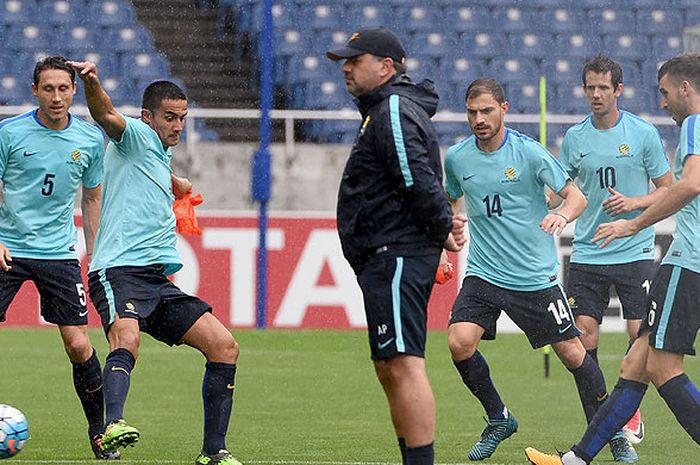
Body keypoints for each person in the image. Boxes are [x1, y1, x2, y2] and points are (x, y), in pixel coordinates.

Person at [443, 78, 636, 462]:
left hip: (534, 278)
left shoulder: (529, 154)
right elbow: (448, 199)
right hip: (484, 272)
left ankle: (612, 433)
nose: (479, 119)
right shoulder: (457, 158)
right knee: (459, 343)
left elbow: (576, 197)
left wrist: (561, 216)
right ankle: (499, 417)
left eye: (486, 111)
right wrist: (449, 228)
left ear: (504, 109)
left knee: (573, 355)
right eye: (472, 112)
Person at [525, 53, 700, 465]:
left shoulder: (693, 123)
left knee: (662, 366)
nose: (663, 103)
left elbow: (688, 184)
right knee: (635, 364)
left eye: (665, 92)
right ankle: (576, 459)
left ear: (685, 88)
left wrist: (632, 223)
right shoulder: (578, 137)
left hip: (686, 262)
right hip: (675, 262)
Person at [67, 60, 242, 465]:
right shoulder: (136, 134)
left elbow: (151, 171)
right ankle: (112, 427)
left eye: (182, 118)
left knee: (224, 346)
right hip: (118, 270)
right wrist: (92, 82)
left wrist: (175, 184)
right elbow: (105, 114)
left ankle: (214, 453)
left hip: (157, 280)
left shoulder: (157, 153)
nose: (177, 126)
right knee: (127, 340)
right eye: (169, 117)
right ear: (147, 116)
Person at [326, 27, 467, 465]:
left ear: (386, 67)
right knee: (389, 366)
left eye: (355, 59)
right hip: (384, 255)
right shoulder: (383, 110)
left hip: (398, 252)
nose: (346, 67)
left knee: (404, 364)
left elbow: (416, 177)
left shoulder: (391, 109)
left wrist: (442, 227)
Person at [0, 56, 117, 460]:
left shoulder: (88, 140)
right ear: (34, 91)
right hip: (8, 248)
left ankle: (99, 431)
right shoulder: (9, 133)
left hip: (58, 252)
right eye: (47, 89)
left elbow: (93, 196)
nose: (56, 97)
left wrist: (97, 254)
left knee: (77, 343)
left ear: (73, 91)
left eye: (63, 89)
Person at [555, 55, 672, 445]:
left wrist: (634, 204)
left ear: (618, 90)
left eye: (604, 87)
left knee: (640, 332)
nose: (596, 94)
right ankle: (603, 421)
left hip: (635, 249)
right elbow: (562, 189)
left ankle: (630, 410)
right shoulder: (574, 138)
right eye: (590, 87)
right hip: (588, 252)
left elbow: (669, 188)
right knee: (584, 340)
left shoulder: (642, 134)